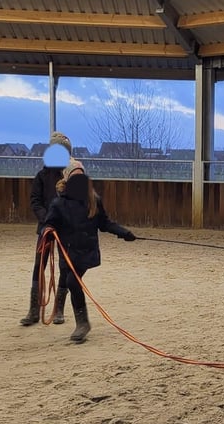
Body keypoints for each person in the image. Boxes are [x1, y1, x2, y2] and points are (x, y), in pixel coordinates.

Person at [42, 166, 136, 343]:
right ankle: (62, 311)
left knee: (71, 281)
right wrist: (47, 231)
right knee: (66, 278)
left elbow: (104, 223)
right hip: (67, 251)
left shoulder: (94, 200)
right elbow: (49, 224)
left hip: (86, 251)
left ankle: (82, 323)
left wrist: (123, 233)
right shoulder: (58, 204)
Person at [20, 131, 75, 326]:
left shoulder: (71, 176)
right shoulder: (41, 176)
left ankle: (59, 309)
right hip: (45, 228)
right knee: (39, 266)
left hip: (65, 229)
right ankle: (34, 310)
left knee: (65, 266)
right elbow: (35, 201)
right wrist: (46, 220)